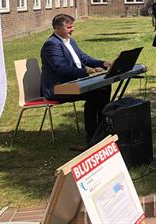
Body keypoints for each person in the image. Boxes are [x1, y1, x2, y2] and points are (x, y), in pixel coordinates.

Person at [40, 14, 112, 144]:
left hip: (73, 83)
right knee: (94, 92)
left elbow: (83, 58)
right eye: (69, 27)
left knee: (104, 86)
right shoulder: (51, 45)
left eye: (72, 26)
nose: (72, 29)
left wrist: (103, 63)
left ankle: (102, 127)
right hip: (58, 88)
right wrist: (86, 71)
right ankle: (93, 135)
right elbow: (62, 69)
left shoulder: (70, 41)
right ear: (57, 28)